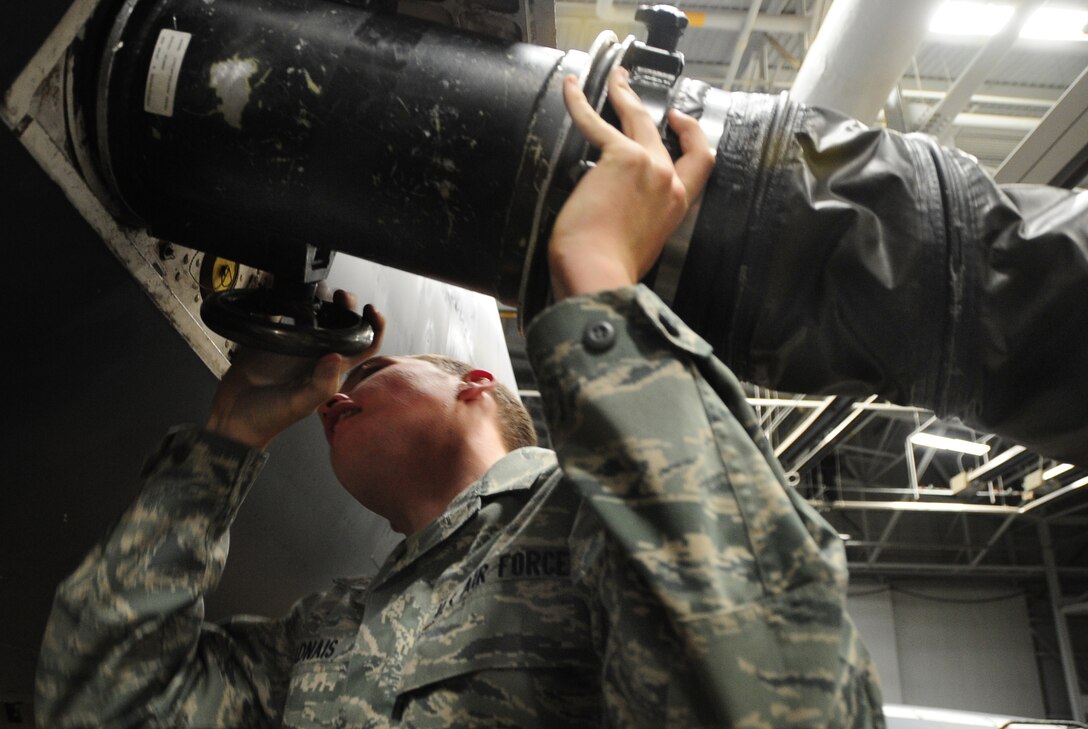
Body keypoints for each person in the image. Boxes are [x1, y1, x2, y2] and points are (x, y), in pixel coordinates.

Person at [35, 66, 884, 728]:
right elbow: (101, 703)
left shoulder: (592, 509)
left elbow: (785, 695)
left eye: (368, 370)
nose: (333, 395)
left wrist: (599, 293)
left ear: (476, 385)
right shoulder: (328, 634)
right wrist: (225, 440)